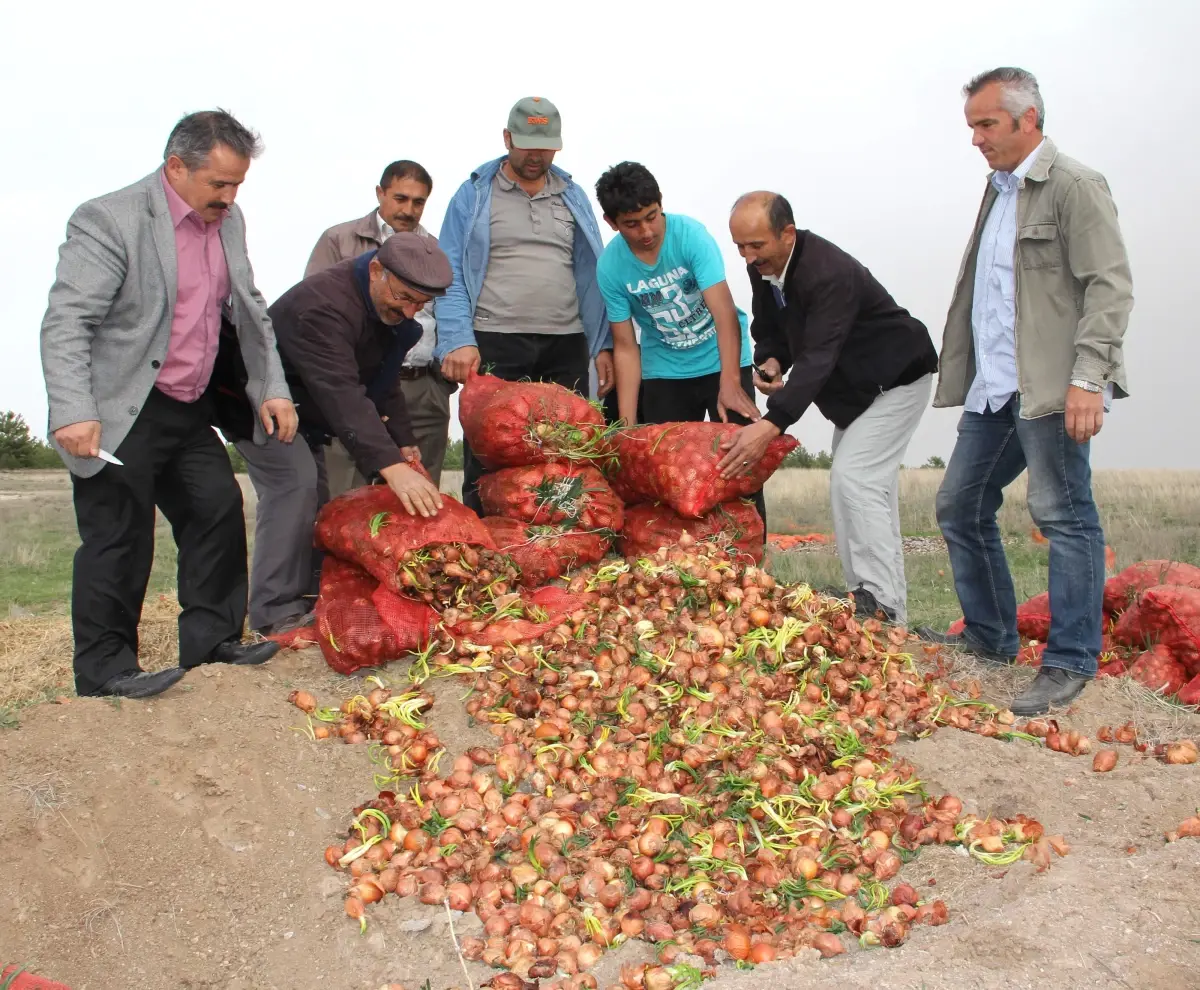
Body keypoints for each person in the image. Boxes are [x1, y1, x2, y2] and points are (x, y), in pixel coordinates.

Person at [39, 110, 297, 699]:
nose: (229, 199)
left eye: (237, 186)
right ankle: (106, 670)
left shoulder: (228, 222)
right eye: (219, 185)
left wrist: (273, 388)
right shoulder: (110, 219)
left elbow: (251, 309)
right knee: (119, 535)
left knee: (216, 508)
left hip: (186, 402)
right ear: (176, 167)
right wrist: (72, 409)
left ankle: (212, 642)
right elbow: (67, 321)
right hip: (120, 406)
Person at [919, 67, 1133, 716]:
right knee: (960, 504)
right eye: (972, 127)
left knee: (1063, 514)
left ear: (1027, 119)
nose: (976, 139)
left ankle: (1070, 662)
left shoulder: (1073, 186)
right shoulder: (999, 189)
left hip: (1049, 388)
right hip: (995, 387)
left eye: (986, 124)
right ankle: (990, 637)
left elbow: (1109, 287)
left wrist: (1088, 379)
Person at [723, 192, 939, 623]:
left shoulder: (829, 272)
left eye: (757, 246)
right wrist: (771, 360)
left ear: (787, 233)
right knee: (859, 490)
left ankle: (880, 606)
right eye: (740, 248)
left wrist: (771, 425)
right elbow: (770, 329)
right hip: (855, 394)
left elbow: (820, 354)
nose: (748, 257)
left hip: (896, 379)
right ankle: (877, 603)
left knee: (854, 478)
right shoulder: (763, 268)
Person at [238, 233, 451, 634]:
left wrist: (403, 443)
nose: (409, 312)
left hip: (309, 417)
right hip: (261, 402)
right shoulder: (323, 307)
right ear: (376, 271)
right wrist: (390, 465)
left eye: (421, 305)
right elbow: (342, 392)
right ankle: (274, 616)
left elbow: (383, 384)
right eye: (404, 298)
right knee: (294, 487)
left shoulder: (387, 314)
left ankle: (311, 600)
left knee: (314, 500)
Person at [437, 97, 613, 513]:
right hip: (496, 339)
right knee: (490, 447)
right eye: (528, 145)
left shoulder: (572, 195)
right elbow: (450, 273)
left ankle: (559, 543)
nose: (536, 156)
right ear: (507, 138)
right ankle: (486, 542)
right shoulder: (474, 194)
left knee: (565, 451)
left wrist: (602, 343)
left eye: (546, 146)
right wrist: (458, 338)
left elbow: (594, 273)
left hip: (566, 341)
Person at [592, 161, 765, 527]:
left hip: (723, 359)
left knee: (740, 467)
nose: (646, 231)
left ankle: (750, 563)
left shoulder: (691, 236)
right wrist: (626, 425)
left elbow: (724, 315)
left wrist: (730, 383)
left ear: (661, 204)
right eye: (631, 224)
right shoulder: (611, 266)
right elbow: (625, 347)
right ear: (612, 223)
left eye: (652, 217)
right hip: (665, 370)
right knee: (665, 471)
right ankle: (679, 562)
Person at [303, 160, 455, 489]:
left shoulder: (437, 250)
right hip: (358, 384)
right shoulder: (340, 239)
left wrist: (440, 381)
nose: (409, 210)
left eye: (419, 202)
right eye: (400, 198)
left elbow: (450, 310)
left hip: (422, 383)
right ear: (380, 193)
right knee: (346, 490)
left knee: (421, 494)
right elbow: (314, 309)